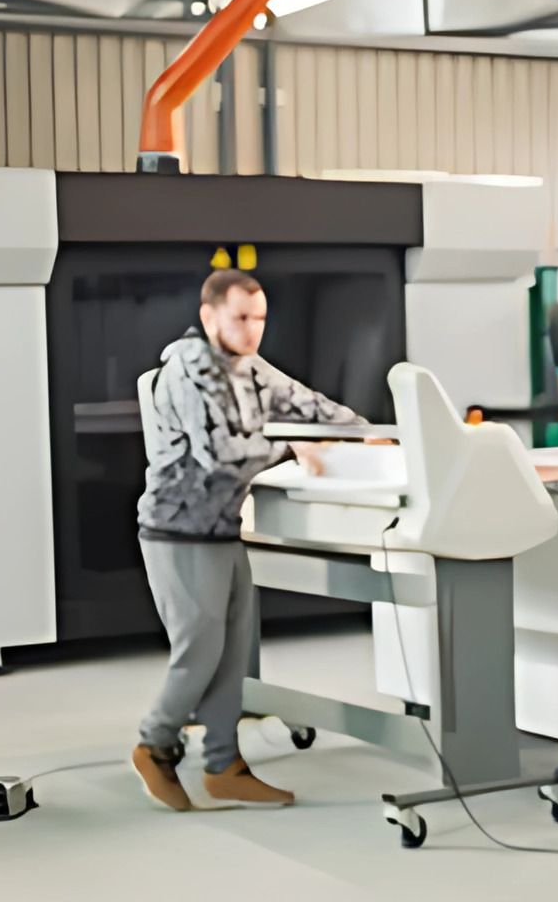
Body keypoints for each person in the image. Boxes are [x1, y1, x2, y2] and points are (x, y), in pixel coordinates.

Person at [131, 268, 365, 811]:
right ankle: (155, 743)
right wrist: (297, 450)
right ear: (209, 315)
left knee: (234, 650)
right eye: (241, 317)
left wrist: (363, 432)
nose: (253, 328)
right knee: (201, 648)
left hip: (221, 530)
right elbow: (222, 452)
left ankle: (223, 765)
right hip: (178, 531)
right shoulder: (191, 369)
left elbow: (304, 402)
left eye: (260, 317)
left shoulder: (247, 366)